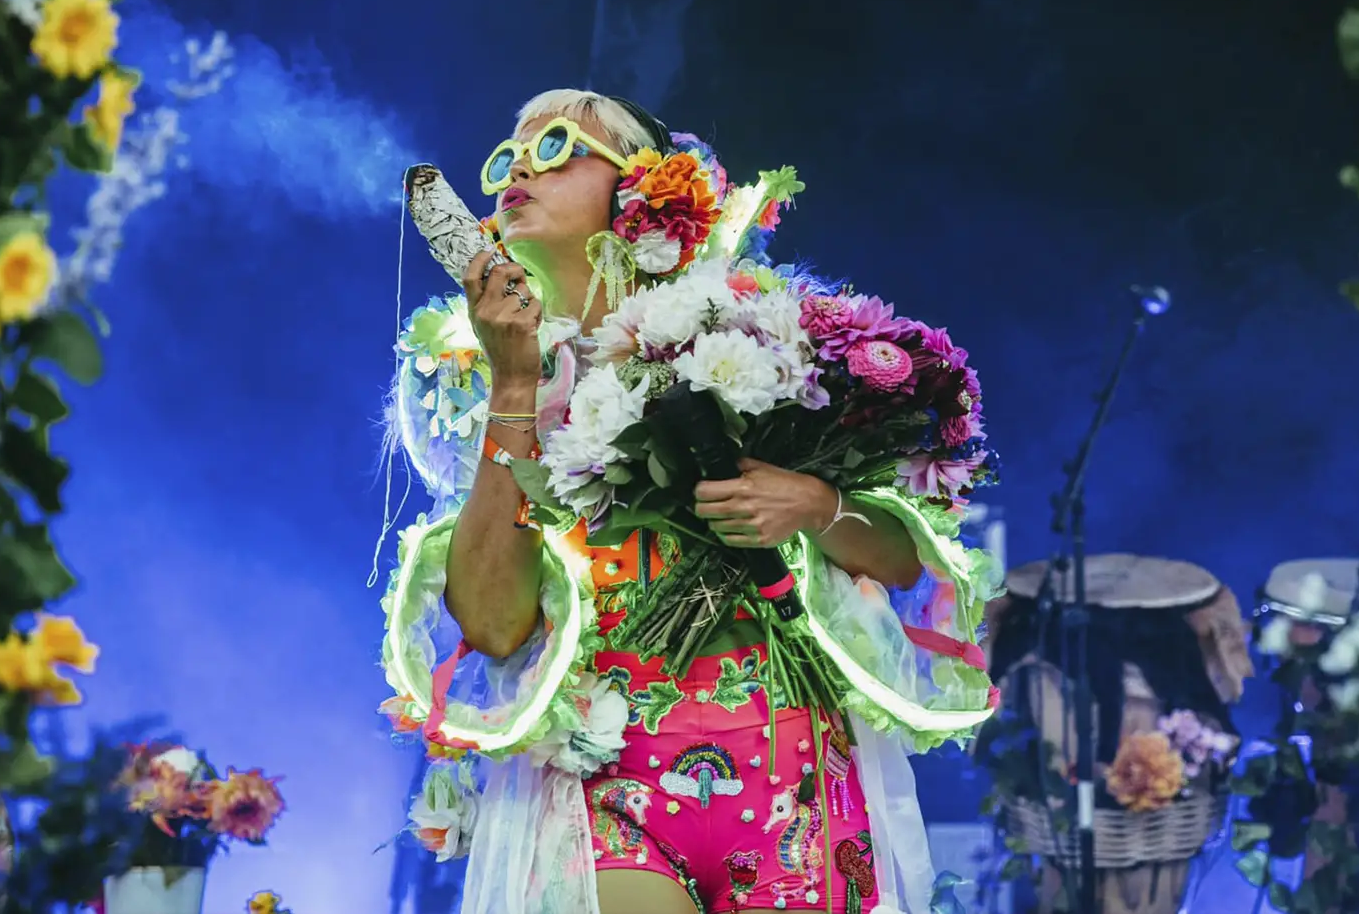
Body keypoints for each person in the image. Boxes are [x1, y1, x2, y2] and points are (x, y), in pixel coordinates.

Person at [378, 89, 1000, 914]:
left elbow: (901, 560)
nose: (519, 165)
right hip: (600, 768)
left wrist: (815, 503)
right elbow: (493, 625)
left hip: (793, 763)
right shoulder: (470, 379)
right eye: (508, 155)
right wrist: (516, 380)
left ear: (644, 188)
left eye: (559, 144)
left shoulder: (756, 334)